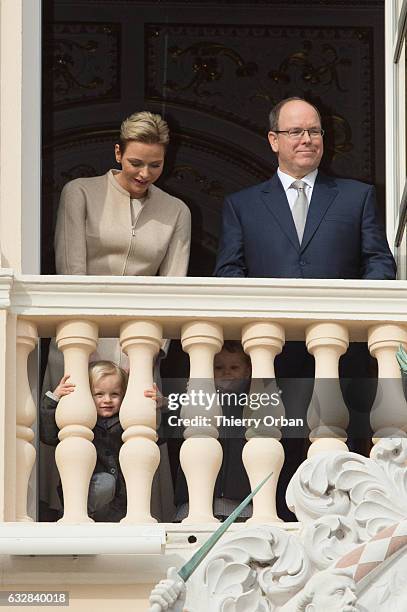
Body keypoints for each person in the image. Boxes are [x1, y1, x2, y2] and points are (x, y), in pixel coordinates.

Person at [214, 97, 396, 280]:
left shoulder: (357, 197)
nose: (307, 139)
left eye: (314, 131)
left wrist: (357, 305)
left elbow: (379, 262)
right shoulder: (242, 206)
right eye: (296, 132)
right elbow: (228, 271)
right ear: (274, 140)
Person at [55, 110, 191, 278]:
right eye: (135, 163)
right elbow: (70, 275)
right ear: (118, 153)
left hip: (145, 304)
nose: (145, 174)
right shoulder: (79, 193)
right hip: (86, 301)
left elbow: (174, 285)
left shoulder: (177, 211)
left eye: (155, 165)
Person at [40, 360, 162, 522]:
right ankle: (79, 515)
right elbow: (48, 435)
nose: (107, 400)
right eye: (99, 394)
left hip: (120, 502)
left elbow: (156, 437)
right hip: (88, 496)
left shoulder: (129, 420)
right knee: (105, 483)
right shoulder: (78, 419)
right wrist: (53, 399)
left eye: (114, 394)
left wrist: (159, 406)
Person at [174, 341, 253, 521]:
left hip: (240, 500)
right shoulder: (194, 403)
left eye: (234, 367)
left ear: (247, 371)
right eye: (219, 367)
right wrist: (164, 405)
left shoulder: (252, 404)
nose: (227, 373)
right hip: (192, 502)